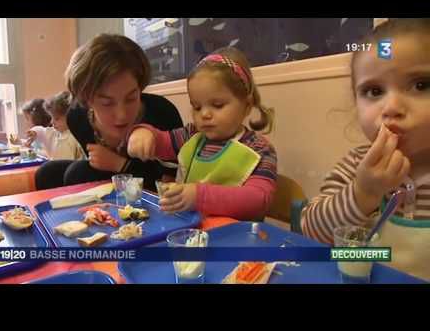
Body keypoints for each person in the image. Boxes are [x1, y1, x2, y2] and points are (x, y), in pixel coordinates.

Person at [300, 18, 430, 280]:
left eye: (420, 85)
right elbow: (312, 231)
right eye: (374, 91)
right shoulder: (356, 165)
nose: (391, 107)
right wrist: (363, 192)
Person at [127, 47, 277, 221]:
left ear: (247, 105)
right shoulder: (191, 135)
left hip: (236, 239)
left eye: (218, 105)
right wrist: (143, 133)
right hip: (189, 234)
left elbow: (258, 201)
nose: (204, 114)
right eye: (197, 107)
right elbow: (162, 142)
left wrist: (199, 197)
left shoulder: (259, 149)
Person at [35, 34, 183, 191]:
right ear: (86, 99)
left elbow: (171, 182)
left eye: (131, 98)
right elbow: (97, 164)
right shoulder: (77, 117)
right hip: (114, 180)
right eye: (106, 103)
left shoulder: (162, 112)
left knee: (77, 173)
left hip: (149, 185)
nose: (122, 115)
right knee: (48, 172)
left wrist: (121, 164)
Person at [24, 91, 84, 160]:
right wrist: (34, 132)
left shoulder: (74, 137)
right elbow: (43, 131)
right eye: (51, 117)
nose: (52, 122)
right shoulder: (56, 133)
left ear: (71, 116)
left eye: (57, 119)